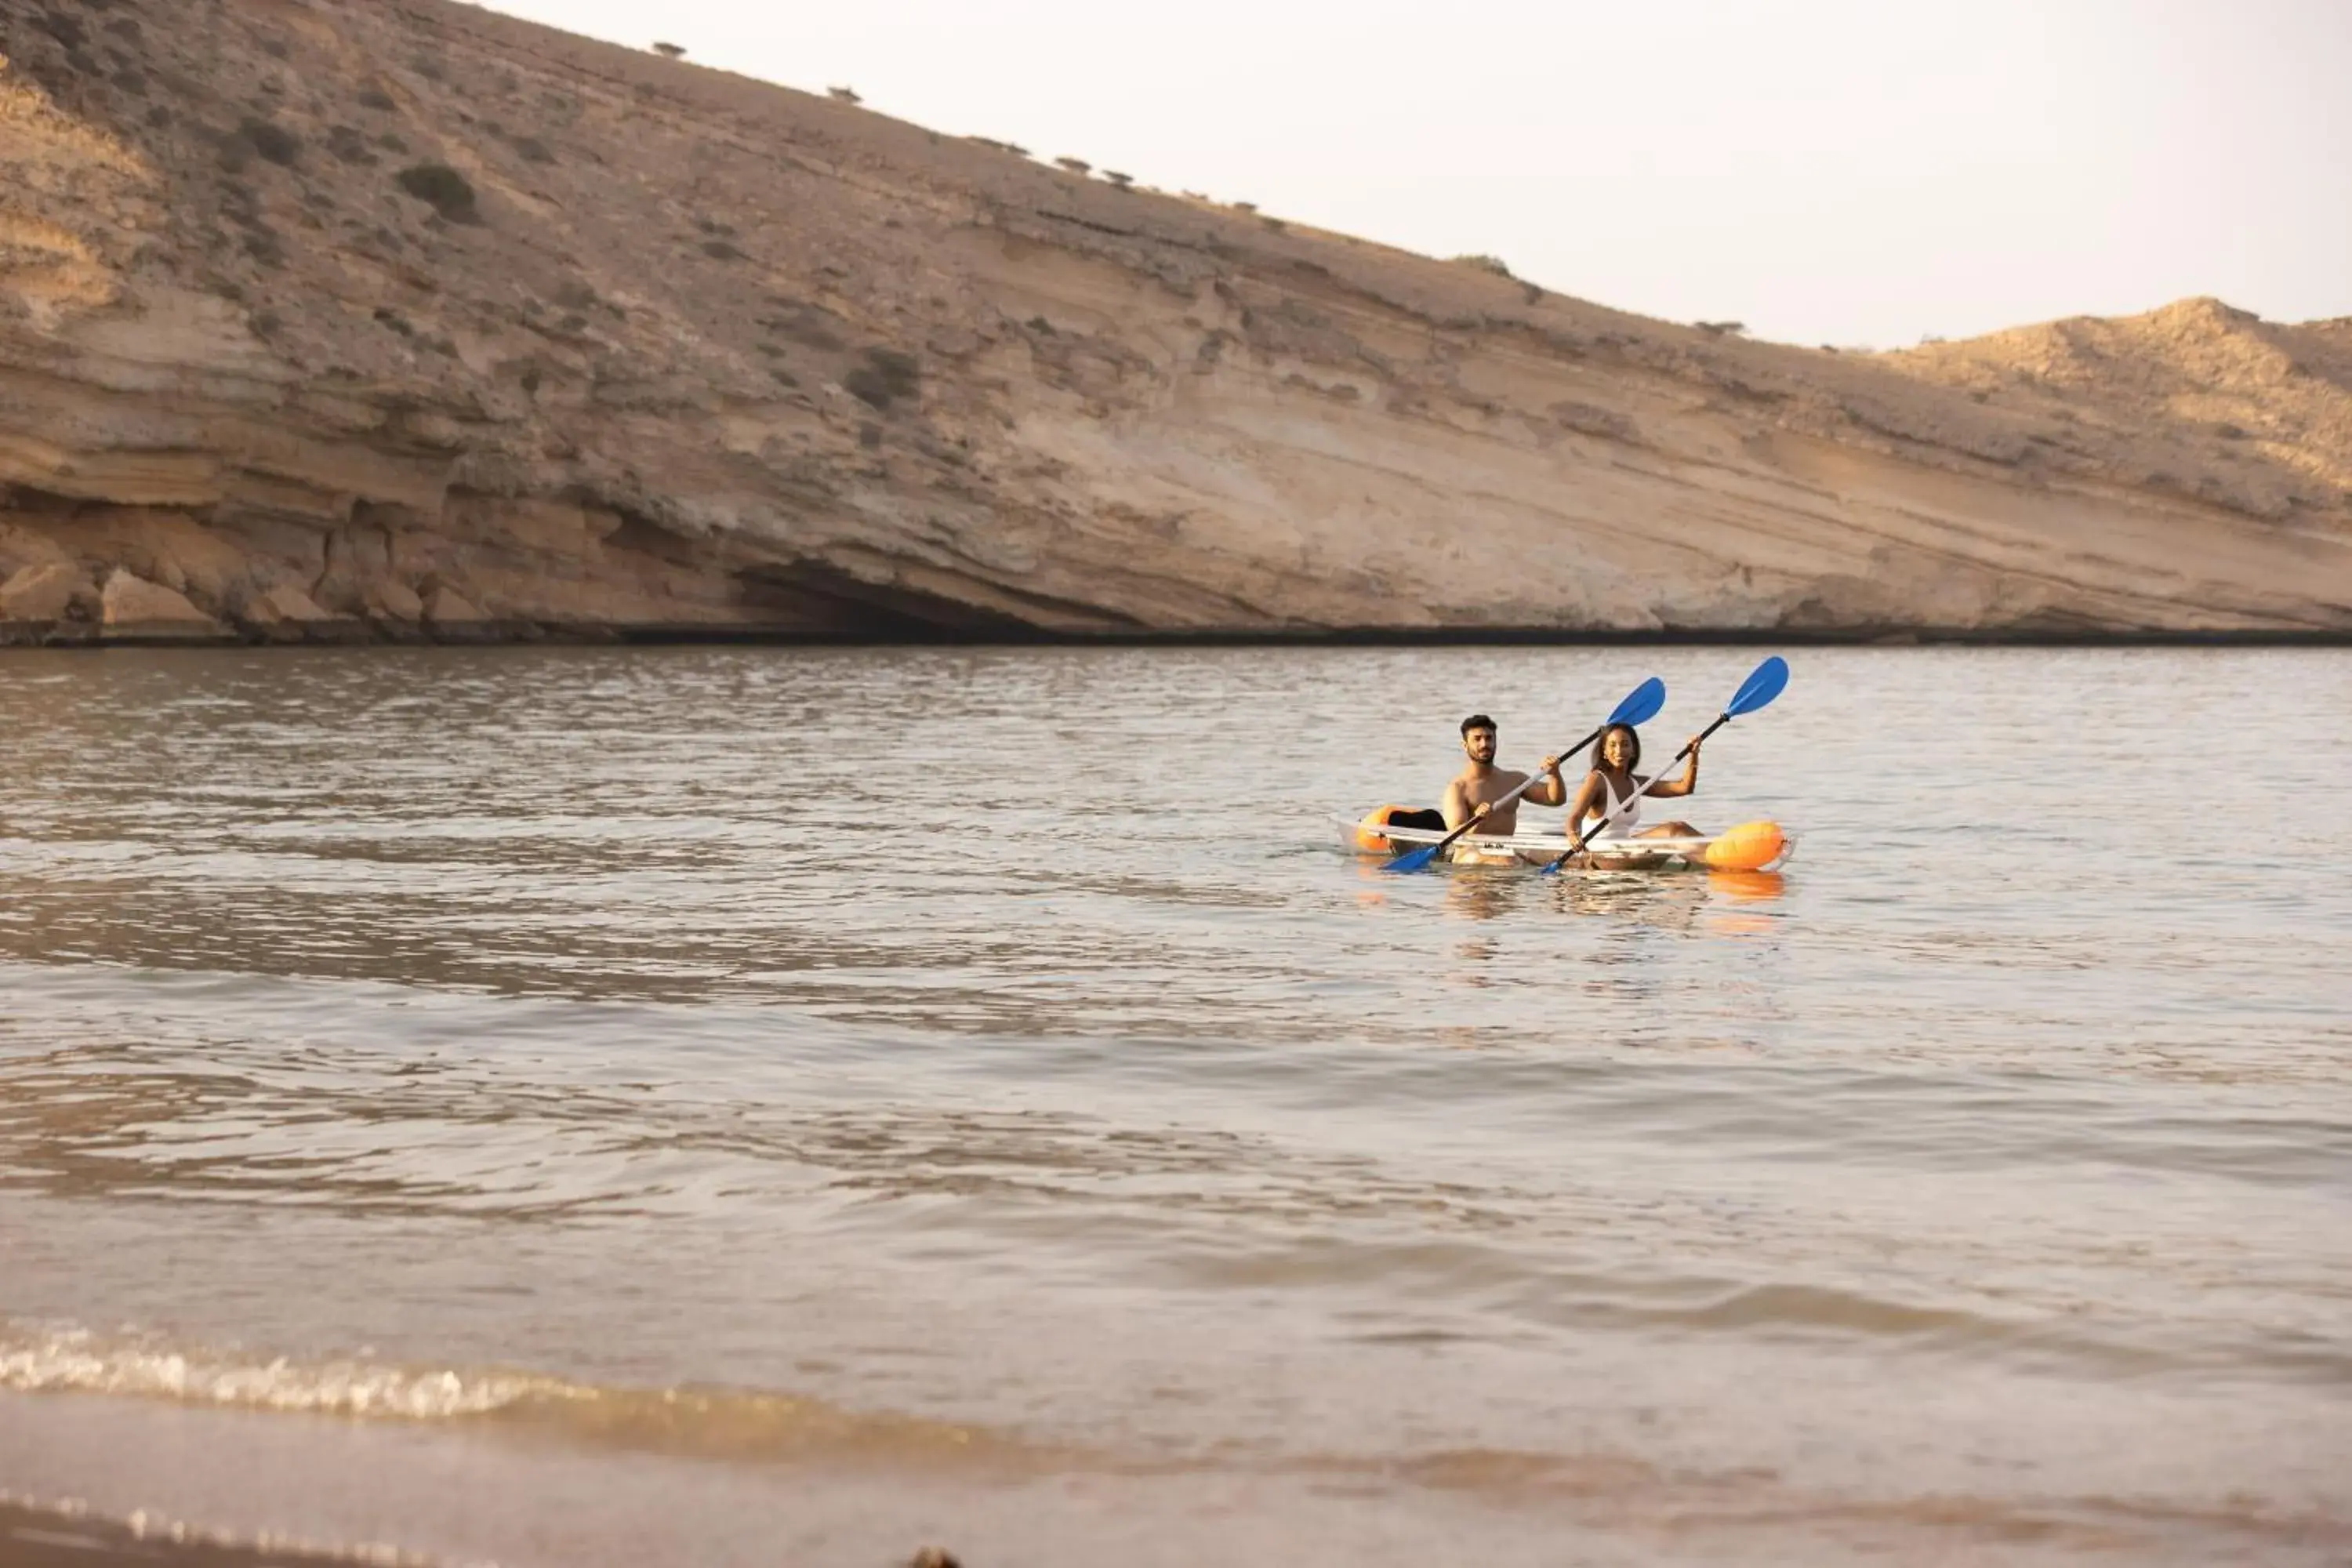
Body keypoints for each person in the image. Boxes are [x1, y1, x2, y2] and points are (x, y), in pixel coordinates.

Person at [1560, 724, 1703, 862]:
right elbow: (1574, 817)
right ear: (1604, 751)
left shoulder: (1637, 783)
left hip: (1625, 845)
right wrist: (1573, 836)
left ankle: (1718, 854)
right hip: (1598, 851)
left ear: (1633, 750)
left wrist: (1693, 755)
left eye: (1625, 744)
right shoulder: (1597, 779)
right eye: (1612, 745)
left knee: (1677, 828)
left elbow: (1684, 787)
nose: (1619, 750)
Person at [1441, 714, 1566, 838]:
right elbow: (1455, 837)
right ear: (1465, 745)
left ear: (1495, 742)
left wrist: (1554, 774)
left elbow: (1555, 799)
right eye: (1477, 739)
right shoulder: (1458, 788)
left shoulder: (1514, 780)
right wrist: (1477, 822)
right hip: (1472, 855)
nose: (1484, 744)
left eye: (1489, 738)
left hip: (1506, 854)